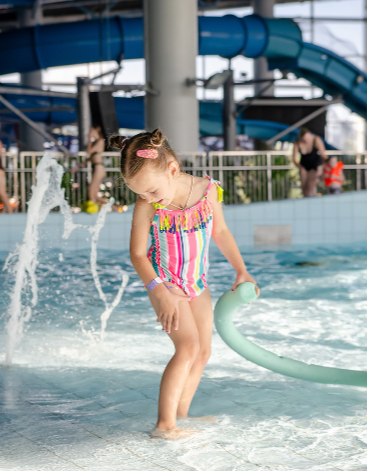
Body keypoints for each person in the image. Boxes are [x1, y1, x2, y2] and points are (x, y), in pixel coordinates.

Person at [111, 129, 258, 439]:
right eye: (140, 194)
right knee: (187, 347)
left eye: (151, 191)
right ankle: (165, 425)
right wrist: (159, 292)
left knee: (203, 351)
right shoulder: (148, 205)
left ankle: (181, 414)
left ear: (173, 169)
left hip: (197, 283)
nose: (148, 198)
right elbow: (138, 254)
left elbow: (221, 232)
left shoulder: (207, 190)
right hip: (165, 285)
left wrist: (241, 271)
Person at [292, 127, 326, 197]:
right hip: (304, 165)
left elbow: (323, 155)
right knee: (304, 189)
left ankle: (311, 203)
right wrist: (300, 167)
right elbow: (294, 159)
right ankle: (306, 204)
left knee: (310, 189)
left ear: (310, 134)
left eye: (307, 138)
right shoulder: (297, 142)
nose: (307, 140)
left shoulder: (316, 139)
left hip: (315, 166)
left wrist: (324, 166)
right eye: (304, 139)